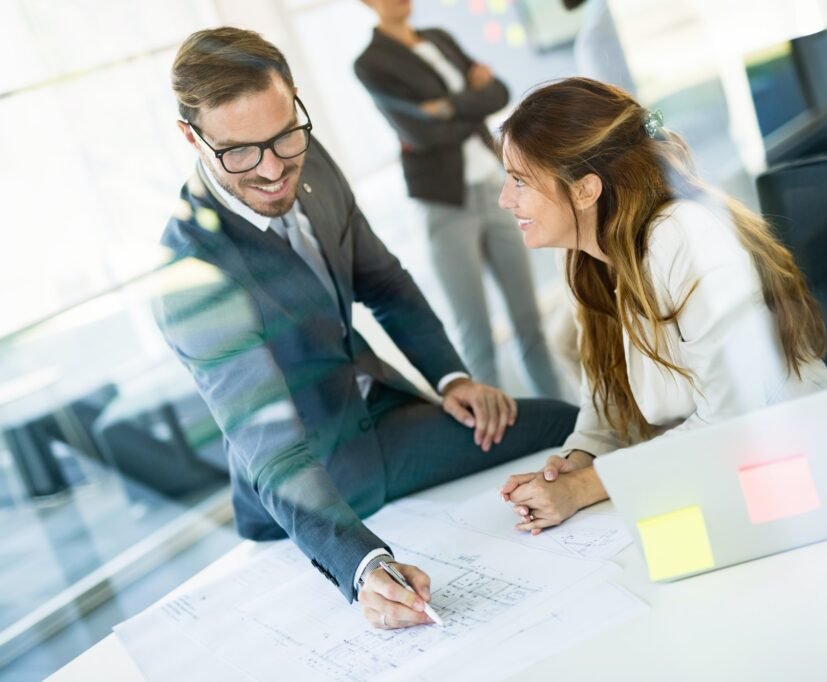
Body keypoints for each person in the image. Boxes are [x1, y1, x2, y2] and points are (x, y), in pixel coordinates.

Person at [154, 27, 578, 630]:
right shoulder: (192, 277)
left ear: (295, 101)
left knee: (561, 425)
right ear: (191, 138)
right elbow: (275, 457)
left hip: (385, 415)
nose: (274, 169)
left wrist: (452, 377)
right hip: (317, 472)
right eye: (241, 152)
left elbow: (385, 282)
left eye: (283, 137)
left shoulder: (312, 159)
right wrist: (362, 566)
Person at [495, 78, 827, 532]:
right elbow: (608, 404)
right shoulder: (589, 257)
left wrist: (583, 489)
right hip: (718, 483)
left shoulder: (682, 237)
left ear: (584, 190)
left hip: (805, 473)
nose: (505, 199)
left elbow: (733, 418)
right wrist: (572, 465)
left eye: (520, 180)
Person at [353, 0, 562, 397]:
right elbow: (421, 134)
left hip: (495, 187)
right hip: (445, 204)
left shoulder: (439, 38)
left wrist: (445, 107)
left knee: (528, 320)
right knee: (476, 333)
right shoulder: (371, 62)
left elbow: (499, 92)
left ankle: (563, 415)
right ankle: (497, 431)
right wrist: (471, 96)